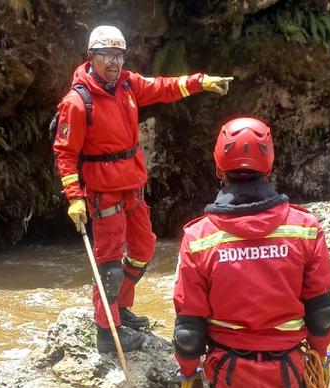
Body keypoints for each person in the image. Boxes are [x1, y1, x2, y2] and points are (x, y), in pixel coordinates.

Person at [172, 117, 330, 388]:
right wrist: (318, 358)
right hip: (289, 371)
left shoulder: (200, 237)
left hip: (231, 376)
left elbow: (189, 327)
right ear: (269, 164)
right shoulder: (303, 228)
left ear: (218, 166)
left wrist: (188, 374)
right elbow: (321, 312)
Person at [52, 25, 233, 354]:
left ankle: (119, 307)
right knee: (108, 262)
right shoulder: (78, 102)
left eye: (119, 55)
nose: (114, 61)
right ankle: (107, 332)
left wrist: (199, 82)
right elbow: (64, 152)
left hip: (132, 188)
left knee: (144, 249)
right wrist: (75, 199)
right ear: (91, 57)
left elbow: (163, 88)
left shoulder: (128, 85)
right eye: (107, 55)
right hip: (104, 193)